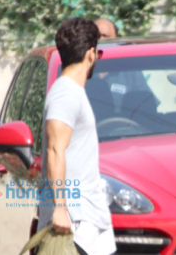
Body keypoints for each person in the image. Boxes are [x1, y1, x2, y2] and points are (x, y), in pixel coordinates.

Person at [37, 18, 116, 255]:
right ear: (91, 54)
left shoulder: (72, 92)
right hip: (74, 225)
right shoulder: (65, 94)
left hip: (91, 222)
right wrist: (60, 208)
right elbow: (54, 150)